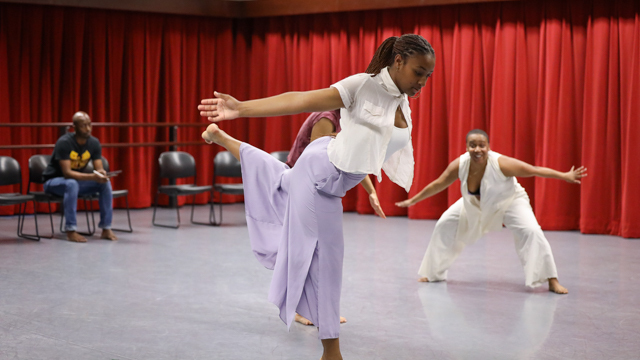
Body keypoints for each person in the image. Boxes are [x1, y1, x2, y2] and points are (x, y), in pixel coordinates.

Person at [199, 34, 435, 360]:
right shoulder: (361, 85)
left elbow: (366, 152)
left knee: (280, 179)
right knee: (328, 257)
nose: (422, 81)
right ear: (398, 62)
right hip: (319, 174)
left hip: (331, 173)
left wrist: (369, 190)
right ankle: (331, 351)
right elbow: (301, 99)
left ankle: (221, 139)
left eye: (427, 75)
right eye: (418, 72)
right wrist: (241, 108)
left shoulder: (402, 98)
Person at [396, 129, 587, 294]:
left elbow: (534, 170)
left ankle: (552, 279)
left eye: (482, 145)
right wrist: (414, 200)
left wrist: (565, 176)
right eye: (473, 145)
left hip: (510, 201)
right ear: (466, 147)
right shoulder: (460, 165)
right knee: (445, 223)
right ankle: (433, 273)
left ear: (488, 146)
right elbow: (438, 184)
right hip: (475, 204)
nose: (477, 150)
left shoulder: (502, 163)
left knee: (532, 231)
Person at [43, 111, 117, 243]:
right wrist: (92, 177)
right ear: (75, 127)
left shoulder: (94, 143)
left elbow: (98, 166)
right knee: (71, 183)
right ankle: (71, 230)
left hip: (76, 183)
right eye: (83, 125)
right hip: (54, 182)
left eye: (89, 125)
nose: (88, 128)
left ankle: (106, 228)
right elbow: (67, 173)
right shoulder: (64, 142)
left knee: (104, 184)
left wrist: (102, 174)